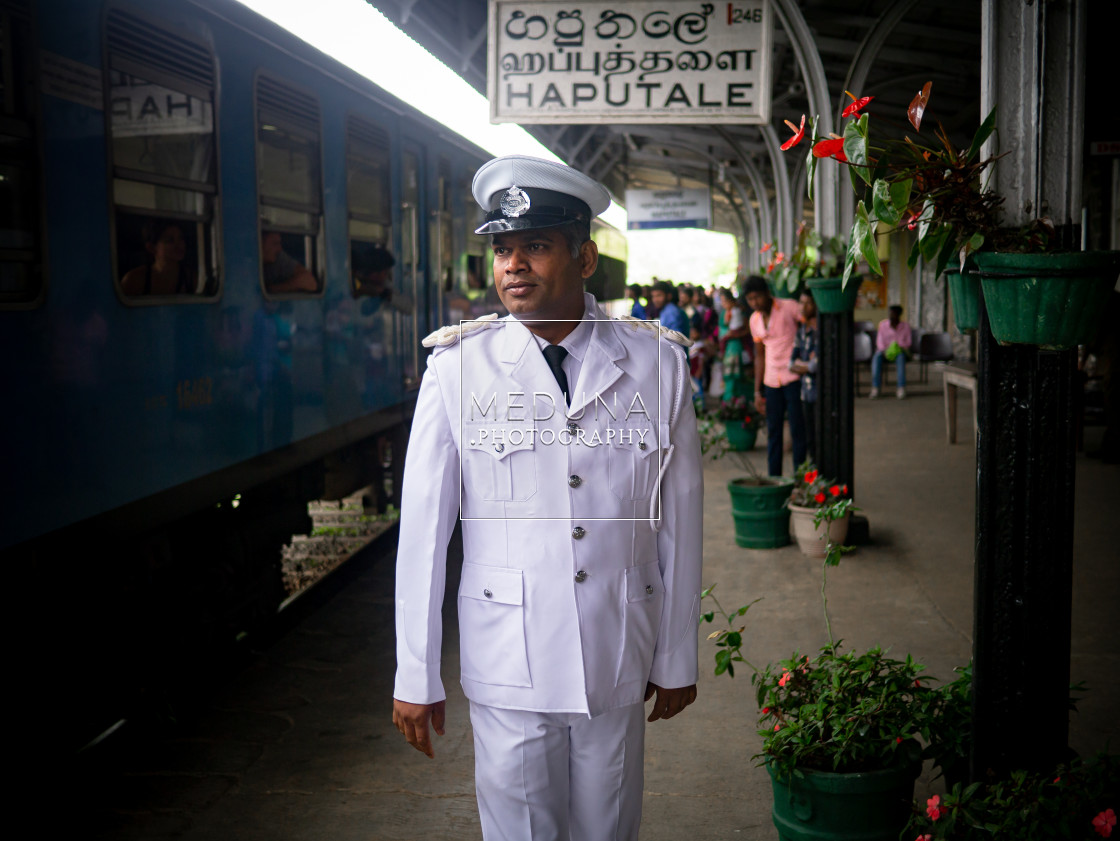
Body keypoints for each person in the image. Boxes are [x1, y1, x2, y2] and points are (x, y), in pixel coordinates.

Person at [391, 155, 703, 841]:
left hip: (614, 648)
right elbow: (423, 532)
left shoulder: (657, 363)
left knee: (609, 828)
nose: (514, 265)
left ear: (585, 257)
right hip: (509, 657)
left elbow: (680, 520)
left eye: (535, 245)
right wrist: (415, 671)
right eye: (503, 248)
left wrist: (677, 654)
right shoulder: (457, 368)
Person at [745, 274, 806, 476]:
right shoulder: (754, 320)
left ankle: (801, 479)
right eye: (750, 299)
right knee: (774, 433)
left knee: (798, 431)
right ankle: (775, 478)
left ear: (767, 293)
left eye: (758, 297)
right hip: (771, 381)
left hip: (793, 377)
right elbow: (759, 355)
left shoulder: (789, 307)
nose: (755, 302)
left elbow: (810, 321)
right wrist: (756, 391)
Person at [120, 219, 197, 296]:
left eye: (181, 238)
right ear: (151, 248)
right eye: (169, 240)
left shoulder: (192, 279)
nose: (179, 244)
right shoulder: (134, 280)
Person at [789, 290, 819, 463]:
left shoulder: (819, 331)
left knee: (819, 438)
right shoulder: (801, 330)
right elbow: (791, 364)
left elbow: (815, 366)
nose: (803, 306)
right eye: (801, 302)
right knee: (809, 439)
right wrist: (805, 365)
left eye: (808, 302)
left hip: (818, 393)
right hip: (805, 392)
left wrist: (803, 365)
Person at [717, 287, 752, 402]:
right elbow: (722, 330)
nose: (723, 304)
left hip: (737, 345)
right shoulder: (724, 314)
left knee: (738, 374)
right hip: (727, 346)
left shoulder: (739, 311)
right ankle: (730, 404)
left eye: (725, 301)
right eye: (722, 302)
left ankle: (740, 403)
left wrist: (735, 335)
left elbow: (747, 330)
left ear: (731, 300)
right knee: (729, 374)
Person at [871, 303, 912, 399]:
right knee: (877, 357)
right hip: (884, 351)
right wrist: (885, 350)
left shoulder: (905, 326)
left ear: (899, 315)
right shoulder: (883, 325)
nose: (891, 315)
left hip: (899, 352)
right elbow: (879, 341)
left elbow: (908, 342)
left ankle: (901, 388)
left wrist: (897, 347)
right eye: (890, 313)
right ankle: (875, 387)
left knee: (901, 357)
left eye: (893, 313)